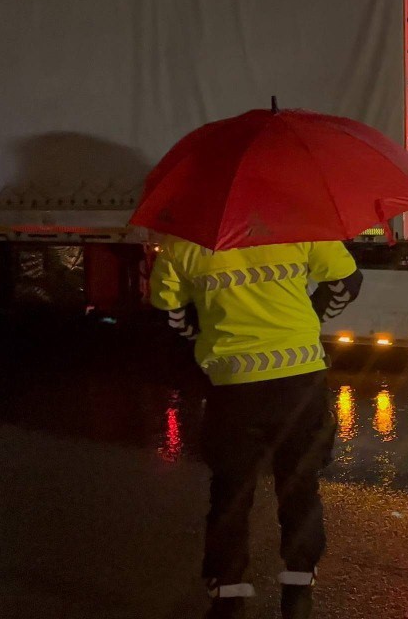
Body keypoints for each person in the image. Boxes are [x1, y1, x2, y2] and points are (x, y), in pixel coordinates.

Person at [150, 238, 363, 619]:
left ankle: (229, 598)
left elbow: (170, 312)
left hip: (233, 387)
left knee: (231, 492)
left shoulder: (186, 241)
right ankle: (298, 593)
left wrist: (204, 332)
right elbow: (347, 282)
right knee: (300, 488)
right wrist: (310, 315)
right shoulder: (299, 223)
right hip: (300, 382)